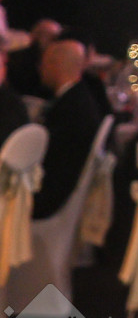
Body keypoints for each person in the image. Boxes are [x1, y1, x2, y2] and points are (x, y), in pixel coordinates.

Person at [34, 38, 106, 220]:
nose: (40, 69)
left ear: (55, 65)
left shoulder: (71, 110)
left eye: (43, 63)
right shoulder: (80, 98)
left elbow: (49, 160)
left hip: (49, 201)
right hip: (63, 196)